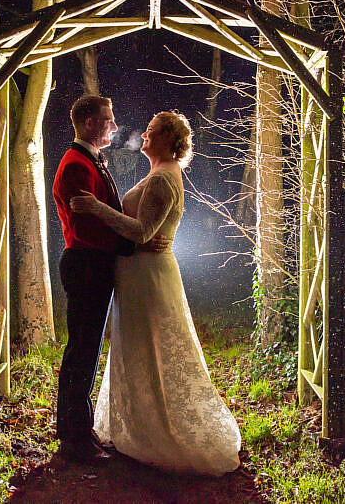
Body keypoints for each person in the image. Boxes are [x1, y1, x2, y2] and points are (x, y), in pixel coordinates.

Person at [70, 111, 242, 476]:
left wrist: (96, 208)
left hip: (147, 275)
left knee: (150, 347)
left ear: (167, 139)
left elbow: (143, 232)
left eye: (150, 131)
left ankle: (155, 432)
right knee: (139, 347)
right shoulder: (160, 173)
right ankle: (139, 422)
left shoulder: (164, 178)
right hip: (139, 274)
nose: (143, 135)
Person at [51, 95, 170, 465]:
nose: (116, 127)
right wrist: (136, 244)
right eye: (108, 119)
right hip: (86, 264)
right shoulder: (76, 165)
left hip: (92, 265)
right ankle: (73, 441)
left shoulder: (88, 159)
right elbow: (89, 230)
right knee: (81, 354)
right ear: (89, 124)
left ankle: (78, 432)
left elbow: (103, 218)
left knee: (85, 352)